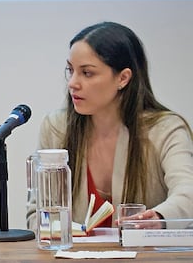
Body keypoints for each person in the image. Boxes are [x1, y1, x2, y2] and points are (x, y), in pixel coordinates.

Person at [27, 21, 193, 229]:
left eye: (87, 73)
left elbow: (188, 193)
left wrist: (159, 218)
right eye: (71, 70)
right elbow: (37, 215)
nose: (72, 83)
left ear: (123, 78)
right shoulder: (57, 127)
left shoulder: (165, 129)